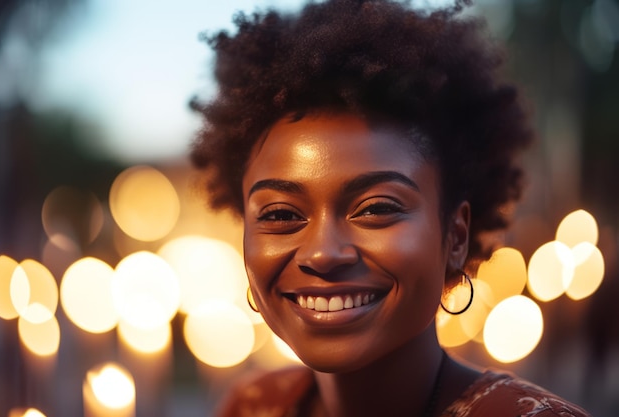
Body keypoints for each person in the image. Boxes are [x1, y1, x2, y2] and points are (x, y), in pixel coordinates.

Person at [190, 0, 591, 416]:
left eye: (376, 208)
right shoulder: (252, 406)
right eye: (280, 214)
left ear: (454, 236)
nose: (323, 253)